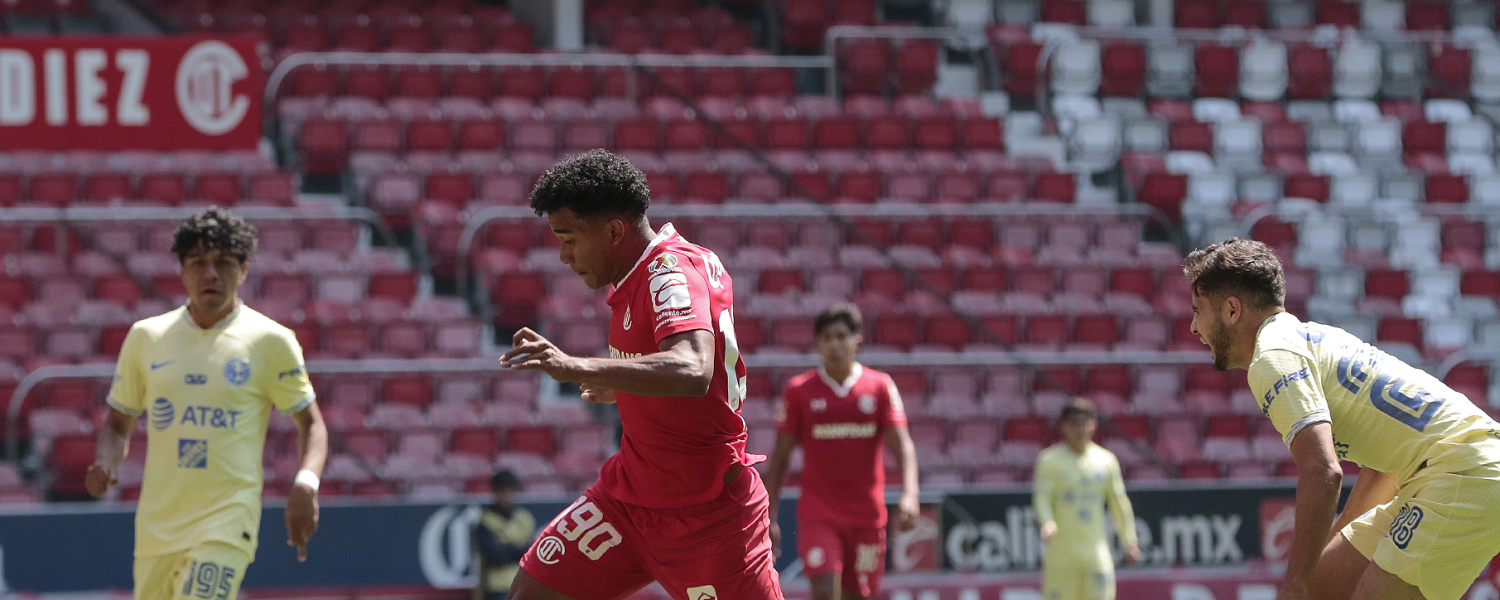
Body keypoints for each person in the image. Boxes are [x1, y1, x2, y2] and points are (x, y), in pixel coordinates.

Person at [498, 149, 782, 600]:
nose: (563, 256)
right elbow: (684, 377)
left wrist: (575, 367)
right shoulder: (637, 276)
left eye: (569, 237)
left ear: (613, 230)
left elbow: (690, 367)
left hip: (706, 515)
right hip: (627, 503)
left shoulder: (667, 272)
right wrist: (627, 386)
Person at [1182, 237, 1500, 600]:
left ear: (1232, 310)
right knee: (1324, 588)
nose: (1194, 327)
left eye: (1197, 309)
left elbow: (1323, 472)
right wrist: (1321, 564)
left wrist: (1293, 584)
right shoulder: (1305, 337)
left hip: (1463, 473)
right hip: (1447, 471)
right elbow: (1384, 467)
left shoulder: (1272, 357)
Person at [85, 207, 328, 599]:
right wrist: (106, 462)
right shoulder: (146, 337)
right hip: (157, 528)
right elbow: (118, 424)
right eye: (198, 262)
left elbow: (311, 424)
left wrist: (306, 483)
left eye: (224, 263)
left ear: (244, 270)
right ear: (181, 270)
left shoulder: (270, 341)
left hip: (227, 521)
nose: (211, 273)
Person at [763, 302, 920, 600]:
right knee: (824, 591)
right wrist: (769, 514)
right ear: (817, 344)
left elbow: (903, 447)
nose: (834, 344)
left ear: (856, 341)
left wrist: (911, 494)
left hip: (867, 516)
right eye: (827, 338)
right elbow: (781, 459)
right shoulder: (799, 391)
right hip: (818, 513)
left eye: (841, 336)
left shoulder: (880, 387)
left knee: (856, 596)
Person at [1032, 397, 1142, 600]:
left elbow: (1119, 503)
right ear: (1062, 427)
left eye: (1084, 424)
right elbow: (1042, 498)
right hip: (1061, 560)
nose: (1079, 430)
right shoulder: (1049, 461)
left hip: (1095, 557)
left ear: (1094, 426)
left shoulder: (1106, 461)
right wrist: (1047, 522)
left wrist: (1130, 541)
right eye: (1073, 424)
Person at [473, 470, 536, 600]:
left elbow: (534, 551)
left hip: (523, 584)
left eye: (509, 491)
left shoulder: (524, 517)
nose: (506, 495)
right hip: (496, 588)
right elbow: (496, 556)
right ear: (494, 492)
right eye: (502, 491)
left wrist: (507, 546)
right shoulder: (485, 521)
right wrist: (521, 548)